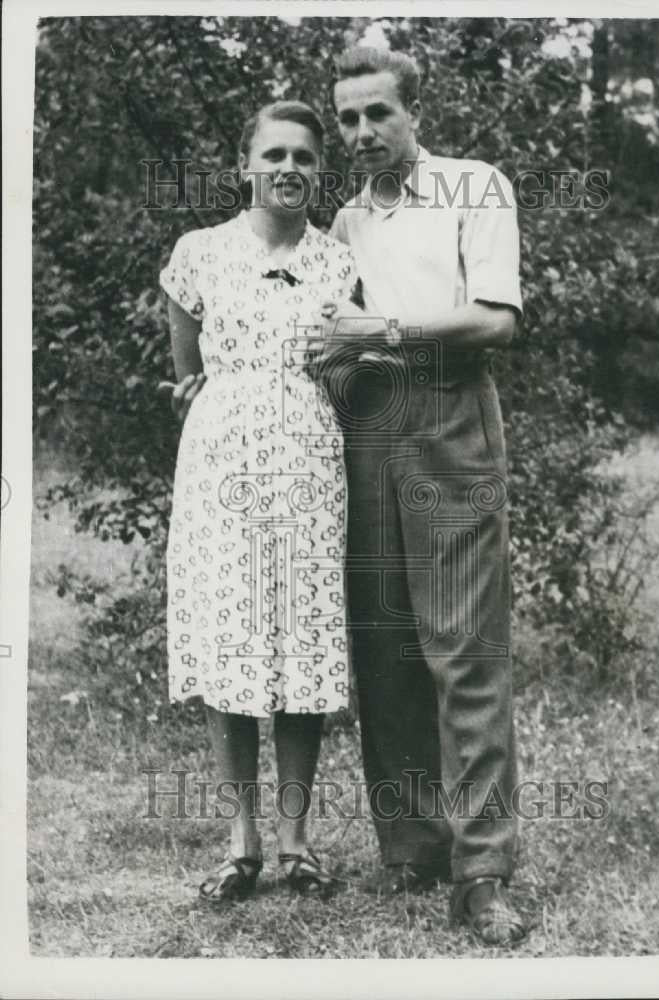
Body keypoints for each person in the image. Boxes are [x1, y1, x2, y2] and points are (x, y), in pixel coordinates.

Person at [319, 46, 526, 944]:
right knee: (386, 642)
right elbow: (327, 332)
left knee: (463, 648)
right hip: (372, 418)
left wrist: (386, 327)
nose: (362, 133)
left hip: (449, 409)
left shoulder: (476, 188)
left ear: (413, 111)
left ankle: (483, 873)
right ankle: (412, 847)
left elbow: (497, 319)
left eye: (378, 114)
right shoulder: (345, 220)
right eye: (348, 120)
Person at [159, 100, 359, 902]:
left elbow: (351, 363)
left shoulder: (338, 262)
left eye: (304, 158)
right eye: (273, 154)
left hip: (309, 461)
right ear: (246, 163)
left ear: (318, 170)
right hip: (221, 465)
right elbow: (183, 350)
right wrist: (195, 387)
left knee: (301, 642)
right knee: (233, 637)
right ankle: (240, 842)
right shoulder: (200, 252)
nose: (288, 169)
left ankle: (297, 842)